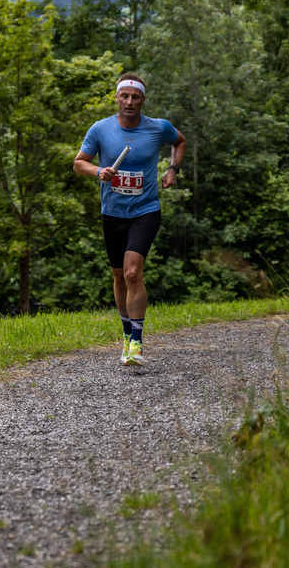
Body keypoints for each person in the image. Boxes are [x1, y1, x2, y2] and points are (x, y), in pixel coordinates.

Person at [73, 72, 186, 366]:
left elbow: (181, 141)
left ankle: (136, 343)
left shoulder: (158, 128)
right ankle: (126, 334)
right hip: (112, 213)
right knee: (118, 276)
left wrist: (173, 169)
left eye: (136, 97)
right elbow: (78, 163)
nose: (130, 102)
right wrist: (99, 172)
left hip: (146, 211)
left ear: (143, 100)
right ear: (117, 98)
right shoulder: (100, 129)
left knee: (133, 271)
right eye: (125, 96)